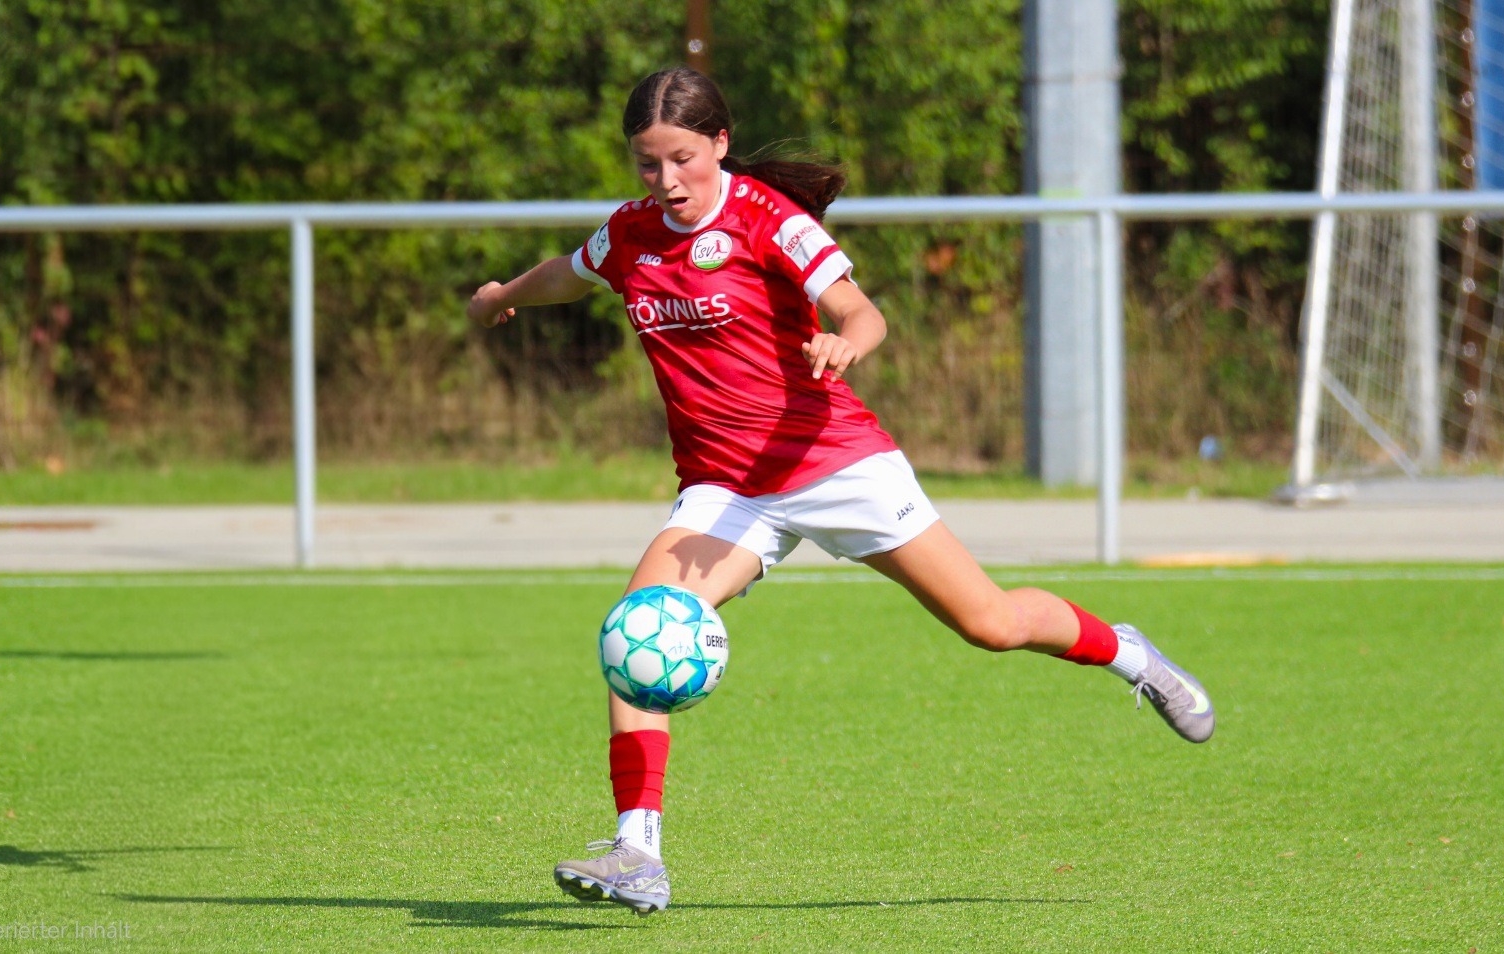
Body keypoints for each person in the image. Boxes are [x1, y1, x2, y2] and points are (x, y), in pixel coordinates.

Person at [467, 66, 1213, 917]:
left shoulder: (765, 220)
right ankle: (638, 852)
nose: (665, 181)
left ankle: (1128, 653)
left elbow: (861, 311)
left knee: (991, 624)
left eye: (680, 158)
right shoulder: (629, 234)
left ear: (717, 143)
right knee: (638, 632)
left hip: (834, 463)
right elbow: (569, 272)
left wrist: (846, 343)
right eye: (646, 164)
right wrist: (499, 297)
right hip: (725, 491)